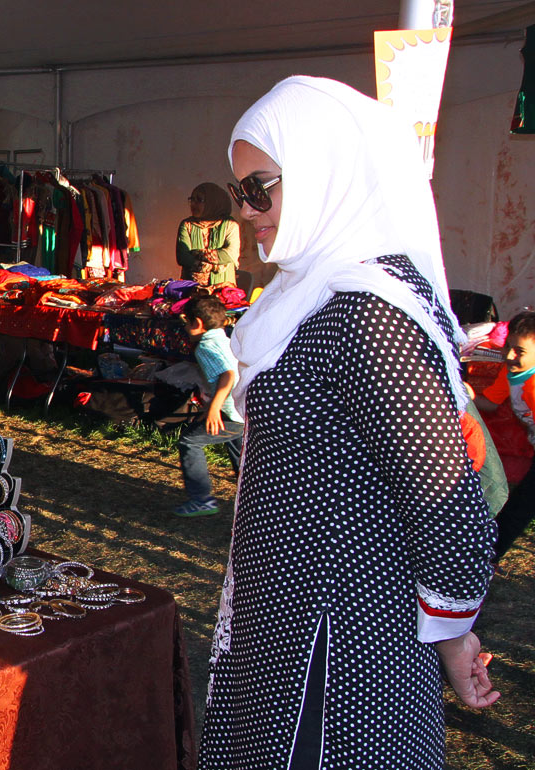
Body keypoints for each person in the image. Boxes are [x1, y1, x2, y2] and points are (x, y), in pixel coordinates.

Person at [201, 77, 497, 770]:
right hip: (289, 609)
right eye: (240, 192)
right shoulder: (311, 293)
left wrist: (453, 632)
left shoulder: (372, 312)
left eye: (259, 189)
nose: (247, 213)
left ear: (326, 172)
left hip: (346, 637)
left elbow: (443, 491)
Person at [173, 295, 242, 517]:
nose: (185, 327)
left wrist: (214, 409)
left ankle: (202, 499)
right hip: (241, 409)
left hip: (230, 411)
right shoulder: (224, 338)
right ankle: (251, 496)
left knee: (189, 442)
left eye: (187, 321)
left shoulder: (206, 346)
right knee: (239, 449)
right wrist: (211, 407)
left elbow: (228, 375)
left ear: (198, 323)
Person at [474, 310, 535, 559]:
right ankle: (489, 554)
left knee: (522, 505)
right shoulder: (511, 372)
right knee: (521, 504)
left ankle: (489, 556)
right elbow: (490, 402)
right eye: (508, 347)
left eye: (519, 351)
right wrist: (466, 395)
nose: (509, 356)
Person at [176, 182, 240, 286]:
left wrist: (198, 253)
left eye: (199, 200)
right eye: (192, 199)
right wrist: (214, 265)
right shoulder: (187, 225)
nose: (193, 204)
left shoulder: (230, 224)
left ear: (213, 202)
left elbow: (230, 254)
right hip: (192, 289)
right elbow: (182, 257)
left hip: (223, 288)